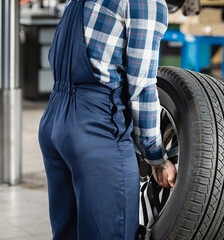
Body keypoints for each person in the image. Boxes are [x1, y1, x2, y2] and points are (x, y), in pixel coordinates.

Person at [38, 0, 177, 239]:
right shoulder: (147, 3)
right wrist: (157, 157)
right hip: (96, 128)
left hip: (54, 120)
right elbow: (141, 86)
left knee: (66, 233)